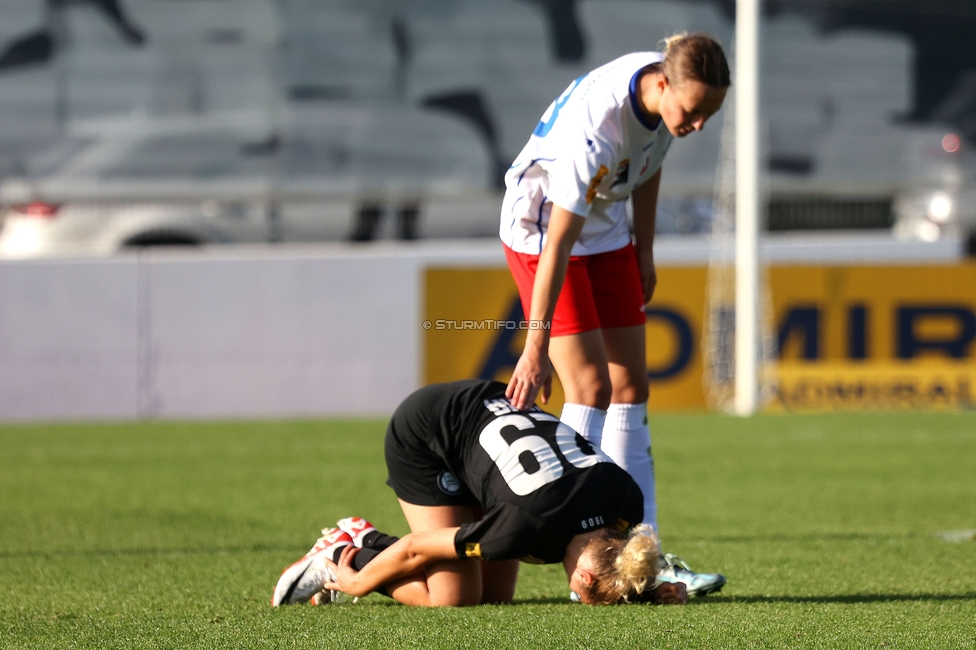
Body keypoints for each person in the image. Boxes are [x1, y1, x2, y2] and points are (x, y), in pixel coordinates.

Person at [499, 34, 730, 594]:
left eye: (709, 115)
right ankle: (583, 567)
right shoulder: (596, 126)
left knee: (632, 386)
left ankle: (647, 561)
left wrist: (643, 250)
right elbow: (557, 245)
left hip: (606, 233)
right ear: (662, 85)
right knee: (590, 386)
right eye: (693, 111)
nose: (697, 124)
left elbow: (648, 168)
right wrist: (534, 349)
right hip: (542, 232)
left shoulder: (662, 100)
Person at [272, 379, 691, 607]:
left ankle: (355, 550)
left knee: (493, 598)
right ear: (581, 577)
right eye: (584, 598)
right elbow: (417, 548)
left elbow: (618, 565)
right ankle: (348, 546)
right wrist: (359, 583)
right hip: (429, 430)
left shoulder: (623, 503)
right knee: (453, 599)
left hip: (493, 406)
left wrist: (650, 589)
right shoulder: (520, 527)